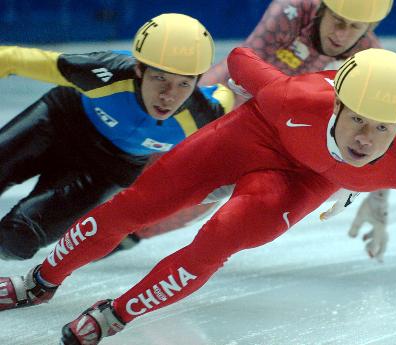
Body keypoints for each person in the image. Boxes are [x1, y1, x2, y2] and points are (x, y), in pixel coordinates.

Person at [0, 47, 396, 345]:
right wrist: (212, 99)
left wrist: (350, 188)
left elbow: (379, 173)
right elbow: (241, 60)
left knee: (219, 238)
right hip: (252, 135)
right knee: (134, 206)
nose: (366, 139)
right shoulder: (294, 97)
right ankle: (38, 283)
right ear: (337, 106)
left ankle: (118, 313)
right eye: (358, 121)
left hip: (301, 182)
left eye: (383, 128)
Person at [0, 13, 233, 260]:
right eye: (160, 78)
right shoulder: (106, 72)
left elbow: (227, 98)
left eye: (183, 84)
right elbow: (12, 59)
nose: (169, 95)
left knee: (18, 239)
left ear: (197, 82)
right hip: (59, 122)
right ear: (139, 69)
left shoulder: (204, 115)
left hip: (107, 168)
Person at [201, 0, 395, 261]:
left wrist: (375, 197)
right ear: (322, 9)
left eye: (354, 27)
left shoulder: (369, 59)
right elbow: (245, 78)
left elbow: (384, 135)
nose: (341, 34)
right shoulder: (291, 12)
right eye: (337, 20)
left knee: (182, 210)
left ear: (370, 27)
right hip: (221, 98)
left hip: (265, 133)